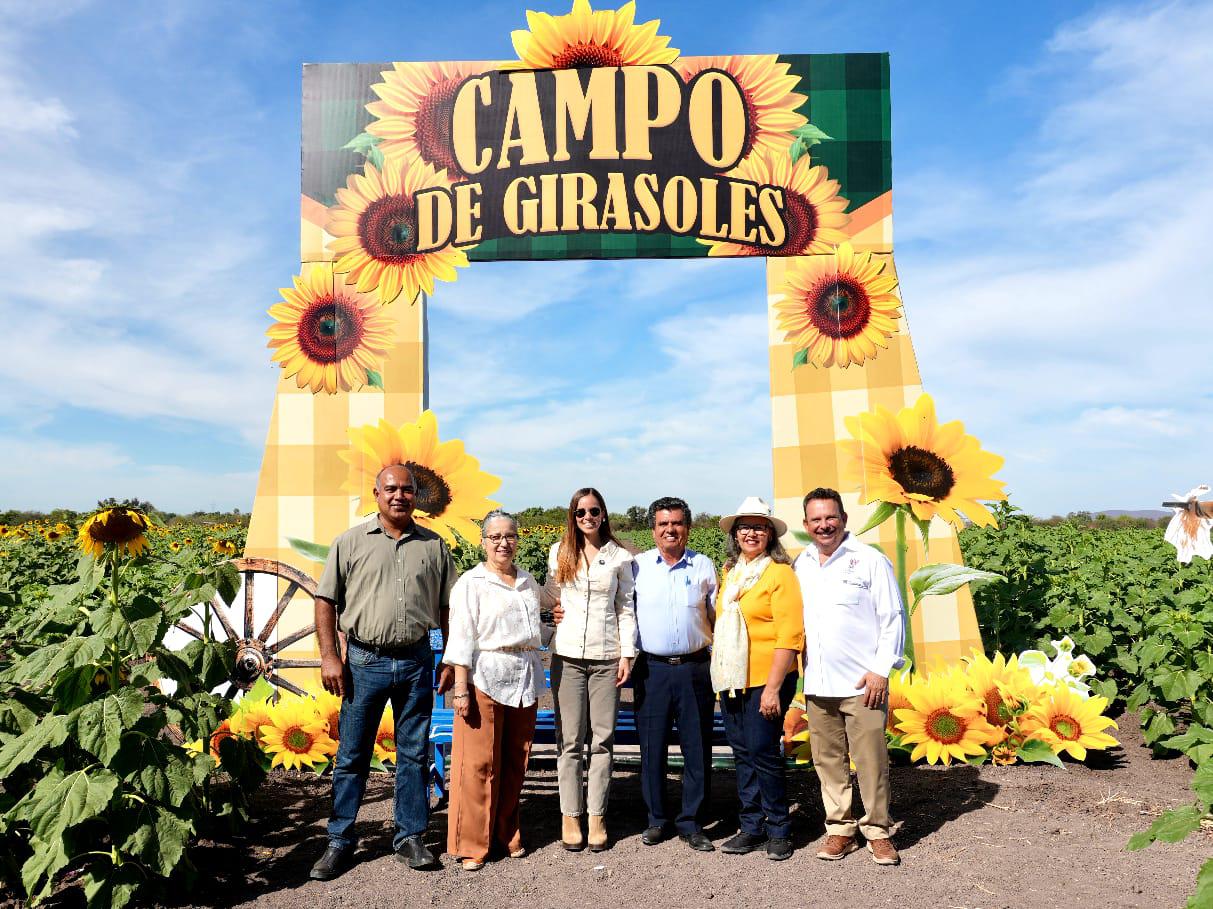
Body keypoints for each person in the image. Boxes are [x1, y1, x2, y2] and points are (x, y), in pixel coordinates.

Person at [309, 464, 456, 880]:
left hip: (415, 661)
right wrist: (329, 656)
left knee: (412, 753)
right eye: (391, 489)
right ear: (376, 494)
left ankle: (410, 837)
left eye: (407, 490)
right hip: (363, 662)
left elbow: (448, 607)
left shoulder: (433, 546)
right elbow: (326, 601)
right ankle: (339, 840)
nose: (399, 496)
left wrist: (448, 656)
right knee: (353, 755)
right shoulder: (350, 542)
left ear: (415, 497)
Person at [794, 487, 905, 866]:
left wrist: (880, 670)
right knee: (828, 761)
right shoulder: (801, 563)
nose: (824, 525)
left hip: (862, 684)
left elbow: (893, 617)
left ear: (843, 519)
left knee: (871, 760)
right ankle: (840, 829)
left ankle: (877, 831)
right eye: (816, 519)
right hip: (818, 682)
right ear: (805, 524)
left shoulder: (870, 560)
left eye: (831, 517)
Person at [443, 510, 544, 871]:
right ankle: (472, 843)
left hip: (525, 678)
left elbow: (536, 627)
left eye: (510, 536)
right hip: (485, 676)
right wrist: (461, 688)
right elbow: (460, 639)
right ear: (483, 542)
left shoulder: (528, 581)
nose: (504, 543)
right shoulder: (471, 583)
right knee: (479, 764)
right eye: (495, 536)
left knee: (517, 760)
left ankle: (506, 833)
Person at [543, 487, 637, 852]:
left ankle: (597, 815)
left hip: (604, 657)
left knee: (602, 740)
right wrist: (550, 615)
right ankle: (570, 815)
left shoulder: (619, 556)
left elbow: (625, 606)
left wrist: (626, 654)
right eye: (580, 512)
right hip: (566, 657)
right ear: (573, 515)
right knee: (569, 742)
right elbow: (551, 597)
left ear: (603, 514)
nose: (587, 517)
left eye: (594, 511)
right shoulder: (560, 552)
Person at [713, 496, 805, 862]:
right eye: (745, 527)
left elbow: (790, 635)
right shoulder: (732, 574)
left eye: (759, 527)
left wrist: (771, 688)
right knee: (742, 753)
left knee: (764, 753)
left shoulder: (780, 574)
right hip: (733, 678)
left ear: (770, 535)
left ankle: (779, 829)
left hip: (767, 679)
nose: (751, 533)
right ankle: (751, 826)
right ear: (736, 535)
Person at [631, 496, 718, 852]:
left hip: (695, 668)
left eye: (677, 523)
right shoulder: (636, 567)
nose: (671, 530)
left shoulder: (703, 566)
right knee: (652, 748)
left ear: (688, 528)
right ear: (653, 530)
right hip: (651, 669)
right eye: (663, 524)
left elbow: (716, 616)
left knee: (697, 747)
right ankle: (657, 819)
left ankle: (692, 822)